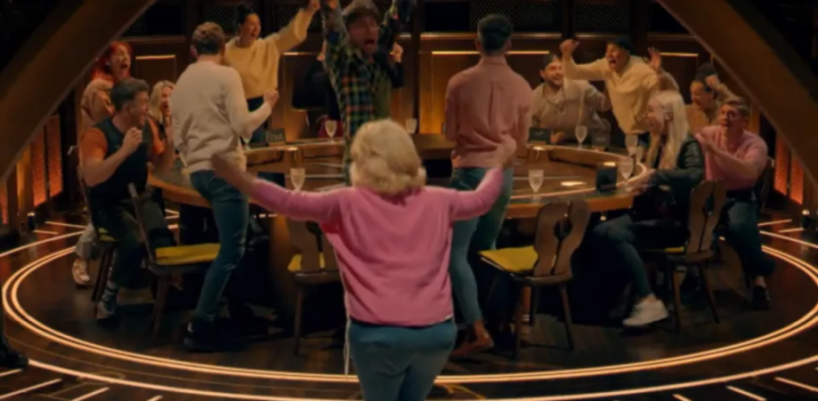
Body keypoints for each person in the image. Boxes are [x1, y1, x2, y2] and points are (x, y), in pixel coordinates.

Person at [210, 119, 513, 401]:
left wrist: (238, 177)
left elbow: (287, 201)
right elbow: (481, 200)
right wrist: (499, 164)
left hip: (377, 335)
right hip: (436, 334)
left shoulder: (345, 202)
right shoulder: (440, 199)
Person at [171, 22, 279, 351]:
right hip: (225, 172)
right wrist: (268, 104)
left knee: (241, 241)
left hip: (199, 172)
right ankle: (201, 324)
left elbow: (178, 137)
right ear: (223, 50)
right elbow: (244, 126)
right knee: (233, 249)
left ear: (193, 50)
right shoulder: (226, 76)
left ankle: (237, 309)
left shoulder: (180, 83)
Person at [444, 14, 532, 355]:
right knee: (488, 248)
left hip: (470, 173)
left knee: (455, 255)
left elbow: (450, 134)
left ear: (477, 42)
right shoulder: (523, 86)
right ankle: (495, 323)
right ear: (509, 45)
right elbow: (521, 140)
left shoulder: (460, 82)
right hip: (503, 175)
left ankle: (476, 329)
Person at [588, 90, 704, 327]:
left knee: (615, 233)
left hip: (675, 224)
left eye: (651, 110)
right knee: (599, 231)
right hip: (650, 215)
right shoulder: (657, 142)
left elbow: (694, 174)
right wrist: (643, 188)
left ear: (669, 115)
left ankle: (649, 300)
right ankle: (611, 298)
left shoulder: (688, 143)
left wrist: (655, 175)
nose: (646, 115)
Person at [80, 78, 176, 321]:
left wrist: (172, 143)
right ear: (126, 108)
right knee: (134, 242)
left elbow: (162, 168)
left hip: (141, 200)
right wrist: (123, 151)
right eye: (143, 103)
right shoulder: (97, 134)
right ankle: (108, 298)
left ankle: (164, 296)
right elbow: (92, 177)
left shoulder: (148, 128)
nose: (147, 108)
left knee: (163, 242)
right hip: (109, 204)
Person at [319, 0, 414, 182]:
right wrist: (330, 8)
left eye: (373, 24)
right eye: (360, 26)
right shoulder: (344, 64)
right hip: (359, 163)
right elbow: (334, 30)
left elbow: (396, 17)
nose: (370, 30)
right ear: (349, 33)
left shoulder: (380, 55)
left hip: (387, 160)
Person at [696, 97, 774, 310]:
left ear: (744, 122)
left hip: (740, 196)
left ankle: (760, 280)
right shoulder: (710, 134)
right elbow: (690, 141)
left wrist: (717, 152)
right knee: (696, 229)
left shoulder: (755, 143)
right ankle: (693, 281)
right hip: (712, 196)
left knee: (740, 228)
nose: (725, 118)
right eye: (723, 113)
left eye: (732, 114)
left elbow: (750, 170)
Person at [72, 41, 134, 287]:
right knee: (106, 213)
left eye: (127, 54)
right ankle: (81, 258)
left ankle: (126, 262)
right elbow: (110, 125)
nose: (125, 58)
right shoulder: (100, 87)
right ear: (107, 60)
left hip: (114, 162)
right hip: (99, 162)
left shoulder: (120, 88)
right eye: (119, 54)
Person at [225, 1, 319, 144]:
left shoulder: (267, 46)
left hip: (261, 105)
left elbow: (291, 33)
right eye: (251, 24)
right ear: (240, 27)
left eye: (258, 24)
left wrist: (308, 12)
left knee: (257, 143)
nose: (256, 28)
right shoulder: (225, 51)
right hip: (233, 107)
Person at [559, 37, 678, 147]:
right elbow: (573, 73)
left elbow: (671, 93)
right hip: (624, 132)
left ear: (627, 52)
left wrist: (659, 72)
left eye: (614, 50)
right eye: (607, 51)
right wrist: (566, 54)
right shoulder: (605, 65)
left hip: (647, 134)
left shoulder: (642, 69)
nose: (609, 54)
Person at [531, 54, 611, 145]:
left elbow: (603, 105)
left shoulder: (580, 85)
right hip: (559, 145)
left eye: (560, 68)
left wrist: (610, 83)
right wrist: (549, 138)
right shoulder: (535, 97)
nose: (558, 72)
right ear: (542, 74)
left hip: (591, 142)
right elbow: (530, 131)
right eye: (553, 69)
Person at [686, 63, 736, 134]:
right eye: (691, 93)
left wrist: (720, 87)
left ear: (711, 94)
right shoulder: (687, 111)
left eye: (697, 94)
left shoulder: (723, 111)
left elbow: (741, 108)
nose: (693, 98)